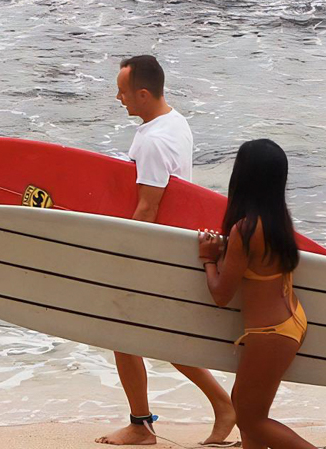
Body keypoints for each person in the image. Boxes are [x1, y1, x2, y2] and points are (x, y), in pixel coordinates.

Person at [96, 55, 236, 446]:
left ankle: (142, 426)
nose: (118, 97)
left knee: (123, 331)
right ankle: (218, 406)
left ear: (142, 94)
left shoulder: (154, 141)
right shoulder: (173, 121)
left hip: (155, 249)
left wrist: (121, 255)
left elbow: (148, 207)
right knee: (158, 337)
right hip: (174, 243)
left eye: (123, 92)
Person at [198, 140, 316, 449]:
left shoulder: (246, 230)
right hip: (289, 322)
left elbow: (221, 294)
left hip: (271, 333)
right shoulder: (279, 220)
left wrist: (208, 258)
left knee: (250, 419)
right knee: (243, 403)